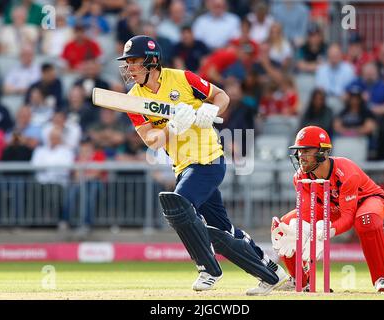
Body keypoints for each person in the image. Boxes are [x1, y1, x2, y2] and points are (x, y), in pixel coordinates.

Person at [117, 35, 288, 295]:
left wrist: (210, 111)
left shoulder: (182, 79)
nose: (129, 68)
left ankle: (208, 269)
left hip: (208, 160)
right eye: (127, 63)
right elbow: (151, 141)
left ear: (152, 62)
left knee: (178, 205)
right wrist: (173, 128)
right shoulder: (133, 98)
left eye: (134, 62)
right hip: (183, 167)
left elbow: (222, 97)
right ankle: (272, 273)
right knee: (223, 230)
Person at [271, 126, 384, 293]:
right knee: (284, 227)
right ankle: (299, 280)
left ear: (322, 152)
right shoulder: (300, 176)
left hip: (366, 200)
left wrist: (327, 230)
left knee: (366, 221)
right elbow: (308, 212)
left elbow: (348, 216)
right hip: (333, 205)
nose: (301, 156)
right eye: (299, 151)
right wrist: (302, 230)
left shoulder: (346, 173)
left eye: (307, 150)